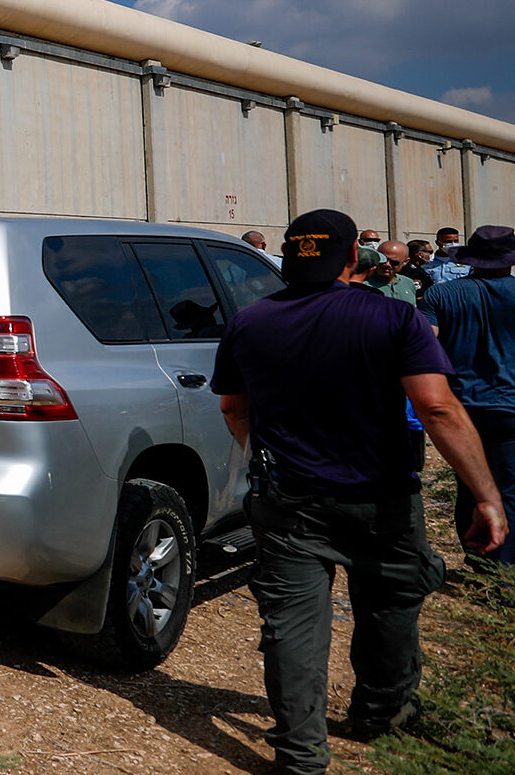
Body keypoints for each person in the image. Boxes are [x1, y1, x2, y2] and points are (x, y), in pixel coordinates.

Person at [213, 210, 507, 773]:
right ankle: (380, 713)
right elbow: (438, 407)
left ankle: (300, 755)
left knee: (293, 627)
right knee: (391, 609)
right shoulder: (394, 317)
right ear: (353, 257)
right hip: (382, 497)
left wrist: (266, 458)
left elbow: (233, 407)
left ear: (290, 255)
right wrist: (486, 495)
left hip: (288, 499)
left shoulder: (248, 323)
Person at [419, 225, 515, 566]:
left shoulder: (440, 295)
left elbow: (424, 347)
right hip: (510, 406)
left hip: (460, 407)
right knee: (510, 488)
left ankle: (477, 559)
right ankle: (504, 571)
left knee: (468, 482)